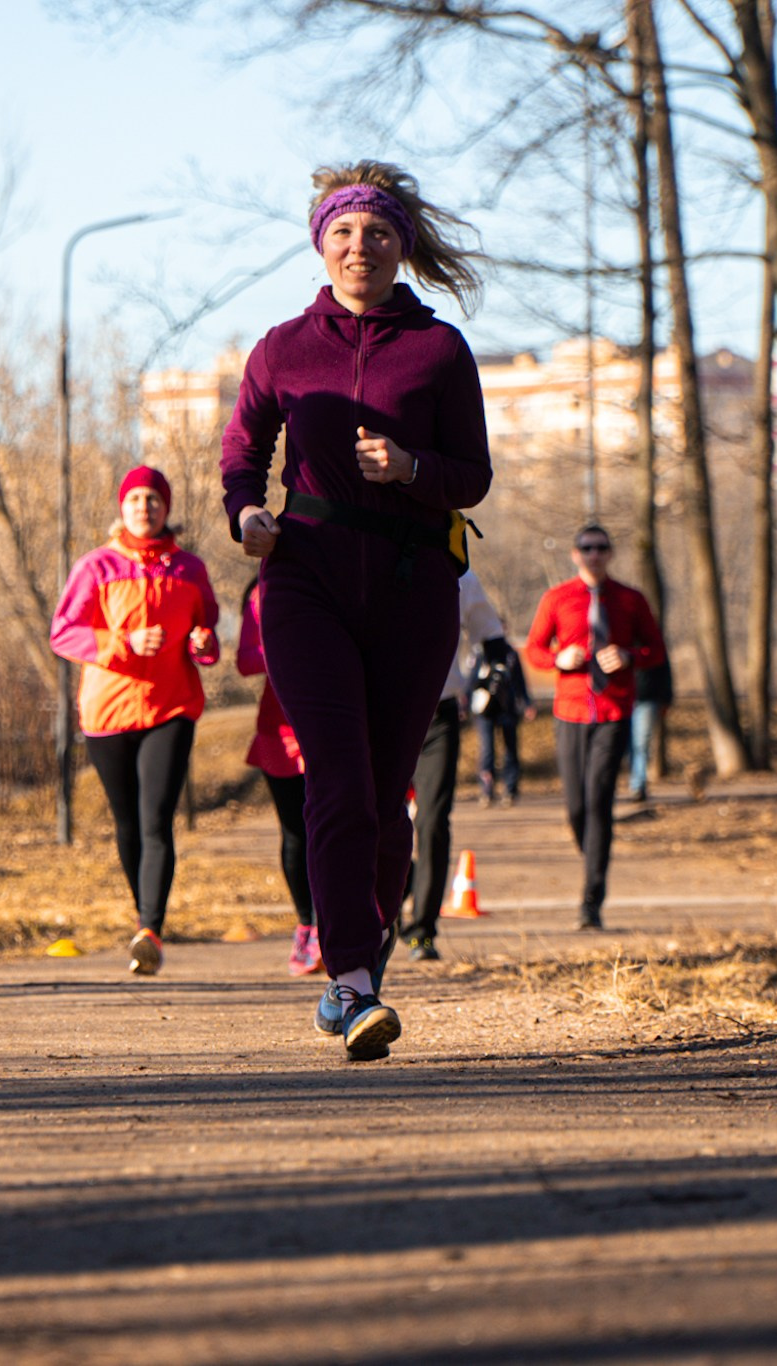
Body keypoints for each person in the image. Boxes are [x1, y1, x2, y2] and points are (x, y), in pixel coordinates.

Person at [222, 160, 491, 1061]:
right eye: (342, 231)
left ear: (399, 246)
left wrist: (412, 469)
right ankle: (351, 977)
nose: (359, 246)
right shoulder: (282, 347)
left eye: (376, 232)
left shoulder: (440, 350)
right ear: (321, 244)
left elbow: (473, 476)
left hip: (415, 585)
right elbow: (242, 450)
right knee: (335, 778)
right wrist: (246, 514)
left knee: (383, 792)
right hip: (307, 579)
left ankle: (361, 956)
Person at [50, 466, 221, 976]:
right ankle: (142, 914)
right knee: (127, 822)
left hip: (171, 707)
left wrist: (203, 643)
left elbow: (207, 631)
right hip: (108, 711)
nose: (144, 507)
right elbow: (63, 633)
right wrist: (122, 642)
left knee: (156, 818)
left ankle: (150, 929)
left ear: (166, 508)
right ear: (121, 507)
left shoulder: (189, 569)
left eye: (153, 499)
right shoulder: (96, 566)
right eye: (135, 499)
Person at [522, 523, 666, 930]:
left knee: (599, 799)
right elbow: (534, 649)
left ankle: (591, 899)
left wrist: (628, 655)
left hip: (613, 710)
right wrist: (557, 659)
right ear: (576, 554)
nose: (594, 554)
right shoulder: (557, 598)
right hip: (569, 710)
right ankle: (593, 855)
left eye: (601, 547)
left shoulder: (630, 599)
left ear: (610, 553)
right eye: (587, 548)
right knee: (576, 806)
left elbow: (656, 650)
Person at [398, 570, 511, 962]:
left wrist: (494, 681)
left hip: (438, 715)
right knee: (379, 817)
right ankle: (388, 906)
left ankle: (422, 931)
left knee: (432, 820)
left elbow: (491, 635)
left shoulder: (458, 572)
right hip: (381, 711)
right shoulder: (368, 554)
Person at [236, 578, 321, 975]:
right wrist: (288, 647)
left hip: (333, 725)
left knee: (336, 827)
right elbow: (246, 660)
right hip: (281, 731)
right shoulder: (262, 592)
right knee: (295, 833)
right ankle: (307, 925)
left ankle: (341, 921)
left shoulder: (338, 577)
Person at [472, 626, 535, 806]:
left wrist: (526, 703)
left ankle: (510, 790)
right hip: (484, 709)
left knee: (510, 749)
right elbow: (470, 682)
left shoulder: (511, 654)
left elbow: (519, 681)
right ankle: (487, 790)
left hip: (508, 708)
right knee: (487, 750)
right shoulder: (480, 654)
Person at [627, 657, 673, 803]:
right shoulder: (615, 643)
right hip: (620, 698)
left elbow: (664, 669)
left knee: (641, 743)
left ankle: (638, 785)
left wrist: (666, 699)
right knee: (622, 745)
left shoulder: (653, 645)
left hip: (647, 699)